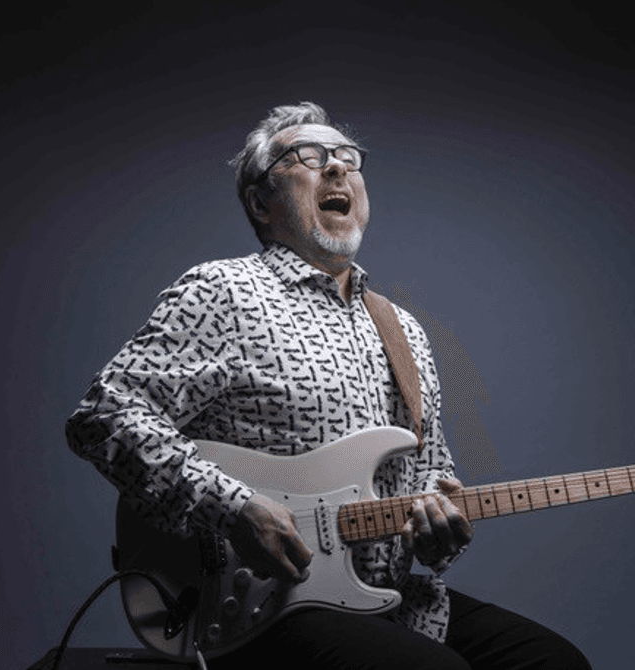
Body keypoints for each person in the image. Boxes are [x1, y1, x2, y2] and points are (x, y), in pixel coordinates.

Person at [66, 102, 591, 669]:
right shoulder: (224, 292)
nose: (337, 168)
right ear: (260, 203)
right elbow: (104, 415)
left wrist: (437, 525)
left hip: (388, 600)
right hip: (260, 607)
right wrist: (234, 508)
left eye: (348, 157)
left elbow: (428, 469)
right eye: (309, 157)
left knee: (554, 662)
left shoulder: (403, 331)